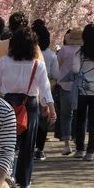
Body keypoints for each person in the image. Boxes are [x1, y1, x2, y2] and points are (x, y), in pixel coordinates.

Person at [0, 27, 56, 188]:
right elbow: (45, 90)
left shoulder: (4, 61)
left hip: (7, 105)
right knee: (28, 146)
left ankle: (8, 179)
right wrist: (51, 109)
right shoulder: (38, 64)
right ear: (33, 46)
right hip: (30, 105)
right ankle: (25, 186)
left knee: (8, 145)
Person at [72, 23, 94, 161]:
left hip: (82, 90)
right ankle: (90, 152)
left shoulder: (79, 53)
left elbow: (75, 70)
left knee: (80, 120)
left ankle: (80, 149)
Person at [0, 11, 44, 88]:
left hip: (5, 92)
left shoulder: (0, 46)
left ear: (10, 28)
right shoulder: (34, 47)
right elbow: (41, 72)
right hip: (29, 92)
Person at [32, 19, 59, 161]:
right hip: (46, 89)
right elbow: (56, 75)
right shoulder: (51, 55)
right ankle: (39, 149)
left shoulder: (28, 53)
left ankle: (28, 146)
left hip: (30, 89)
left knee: (31, 120)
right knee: (43, 121)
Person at [54, 28, 83, 155]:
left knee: (66, 115)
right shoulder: (83, 51)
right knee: (79, 116)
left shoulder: (63, 50)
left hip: (65, 85)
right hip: (80, 86)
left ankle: (67, 145)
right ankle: (79, 144)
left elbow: (56, 66)